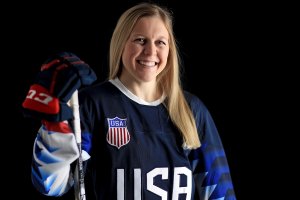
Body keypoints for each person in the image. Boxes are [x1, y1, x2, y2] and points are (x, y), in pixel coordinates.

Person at [23, 2, 236, 200]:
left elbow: (220, 192)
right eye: (140, 40)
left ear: (170, 50)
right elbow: (51, 185)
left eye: (160, 42)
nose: (151, 51)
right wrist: (53, 129)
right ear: (121, 43)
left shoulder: (190, 109)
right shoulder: (91, 104)